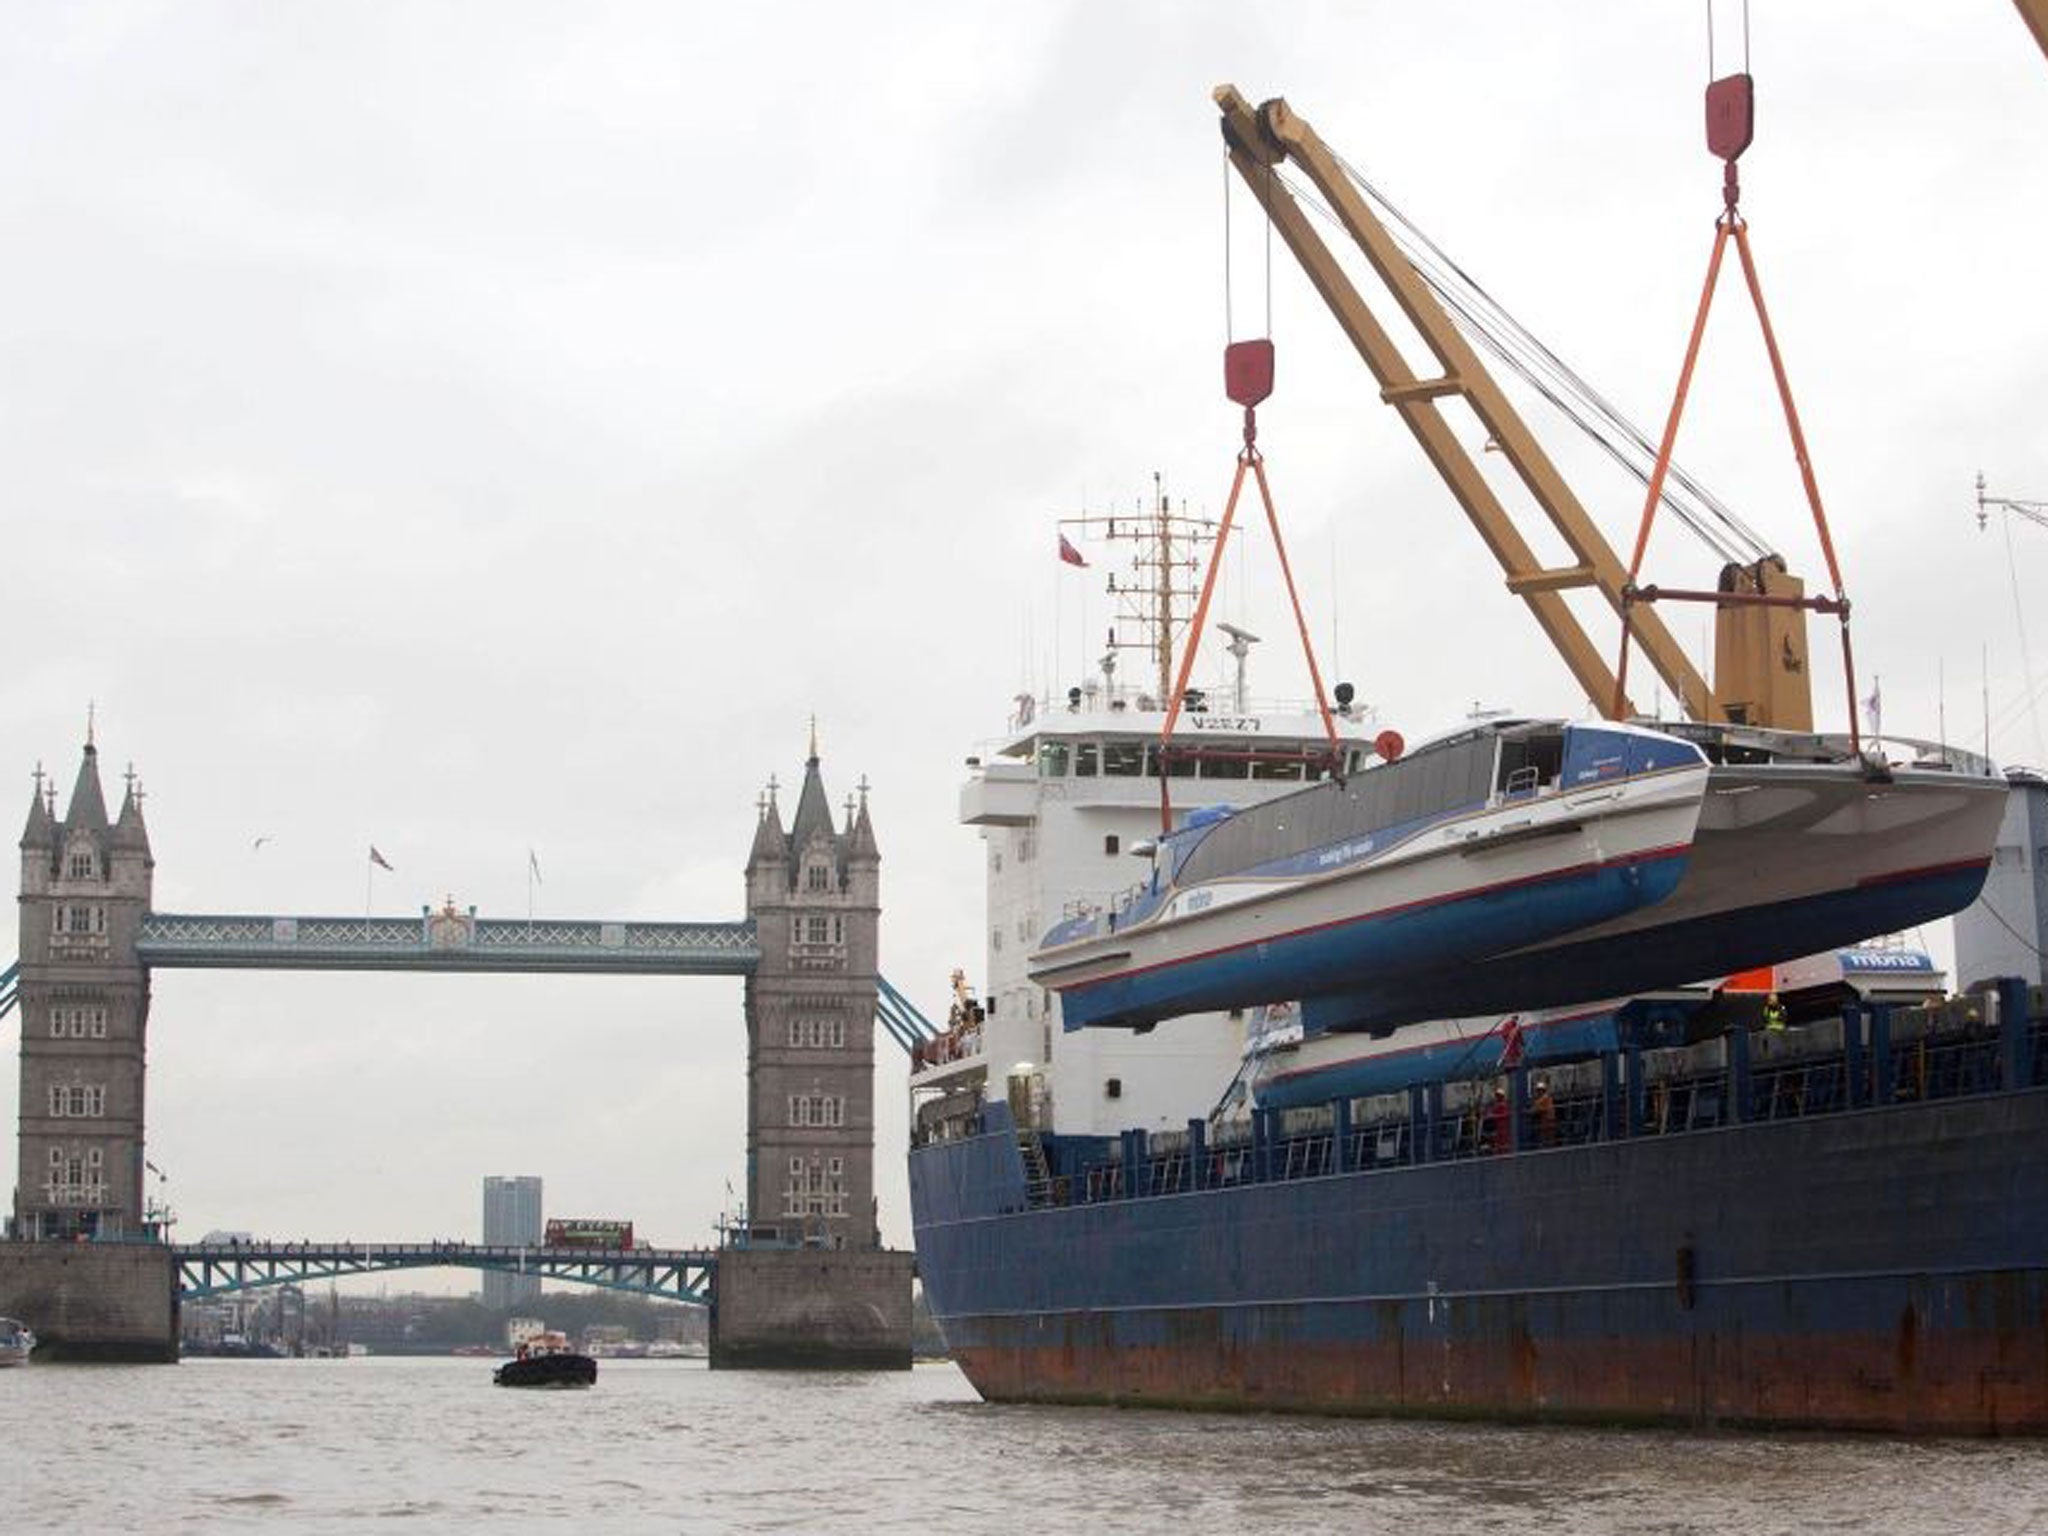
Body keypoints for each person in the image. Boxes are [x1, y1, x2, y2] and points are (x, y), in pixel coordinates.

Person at [1481, 1085, 1510, 1155]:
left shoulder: (1504, 1105)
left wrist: (1494, 1116)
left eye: (1499, 1095)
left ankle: (1503, 1152)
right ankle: (1497, 1151)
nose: (1497, 1097)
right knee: (1497, 1140)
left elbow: (1506, 1114)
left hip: (1503, 1125)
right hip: (1496, 1126)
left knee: (1503, 1140)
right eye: (1497, 1095)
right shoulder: (1495, 1105)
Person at [1531, 1077, 1558, 1147]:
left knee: (1547, 1135)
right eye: (1538, 1091)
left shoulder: (1544, 1098)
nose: (1538, 1092)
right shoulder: (1546, 1098)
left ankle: (1548, 1146)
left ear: (1542, 1091)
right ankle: (1548, 1145)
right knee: (1547, 1135)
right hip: (1547, 1119)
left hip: (1548, 1119)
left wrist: (1531, 1110)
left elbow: (1537, 1108)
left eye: (1540, 1090)